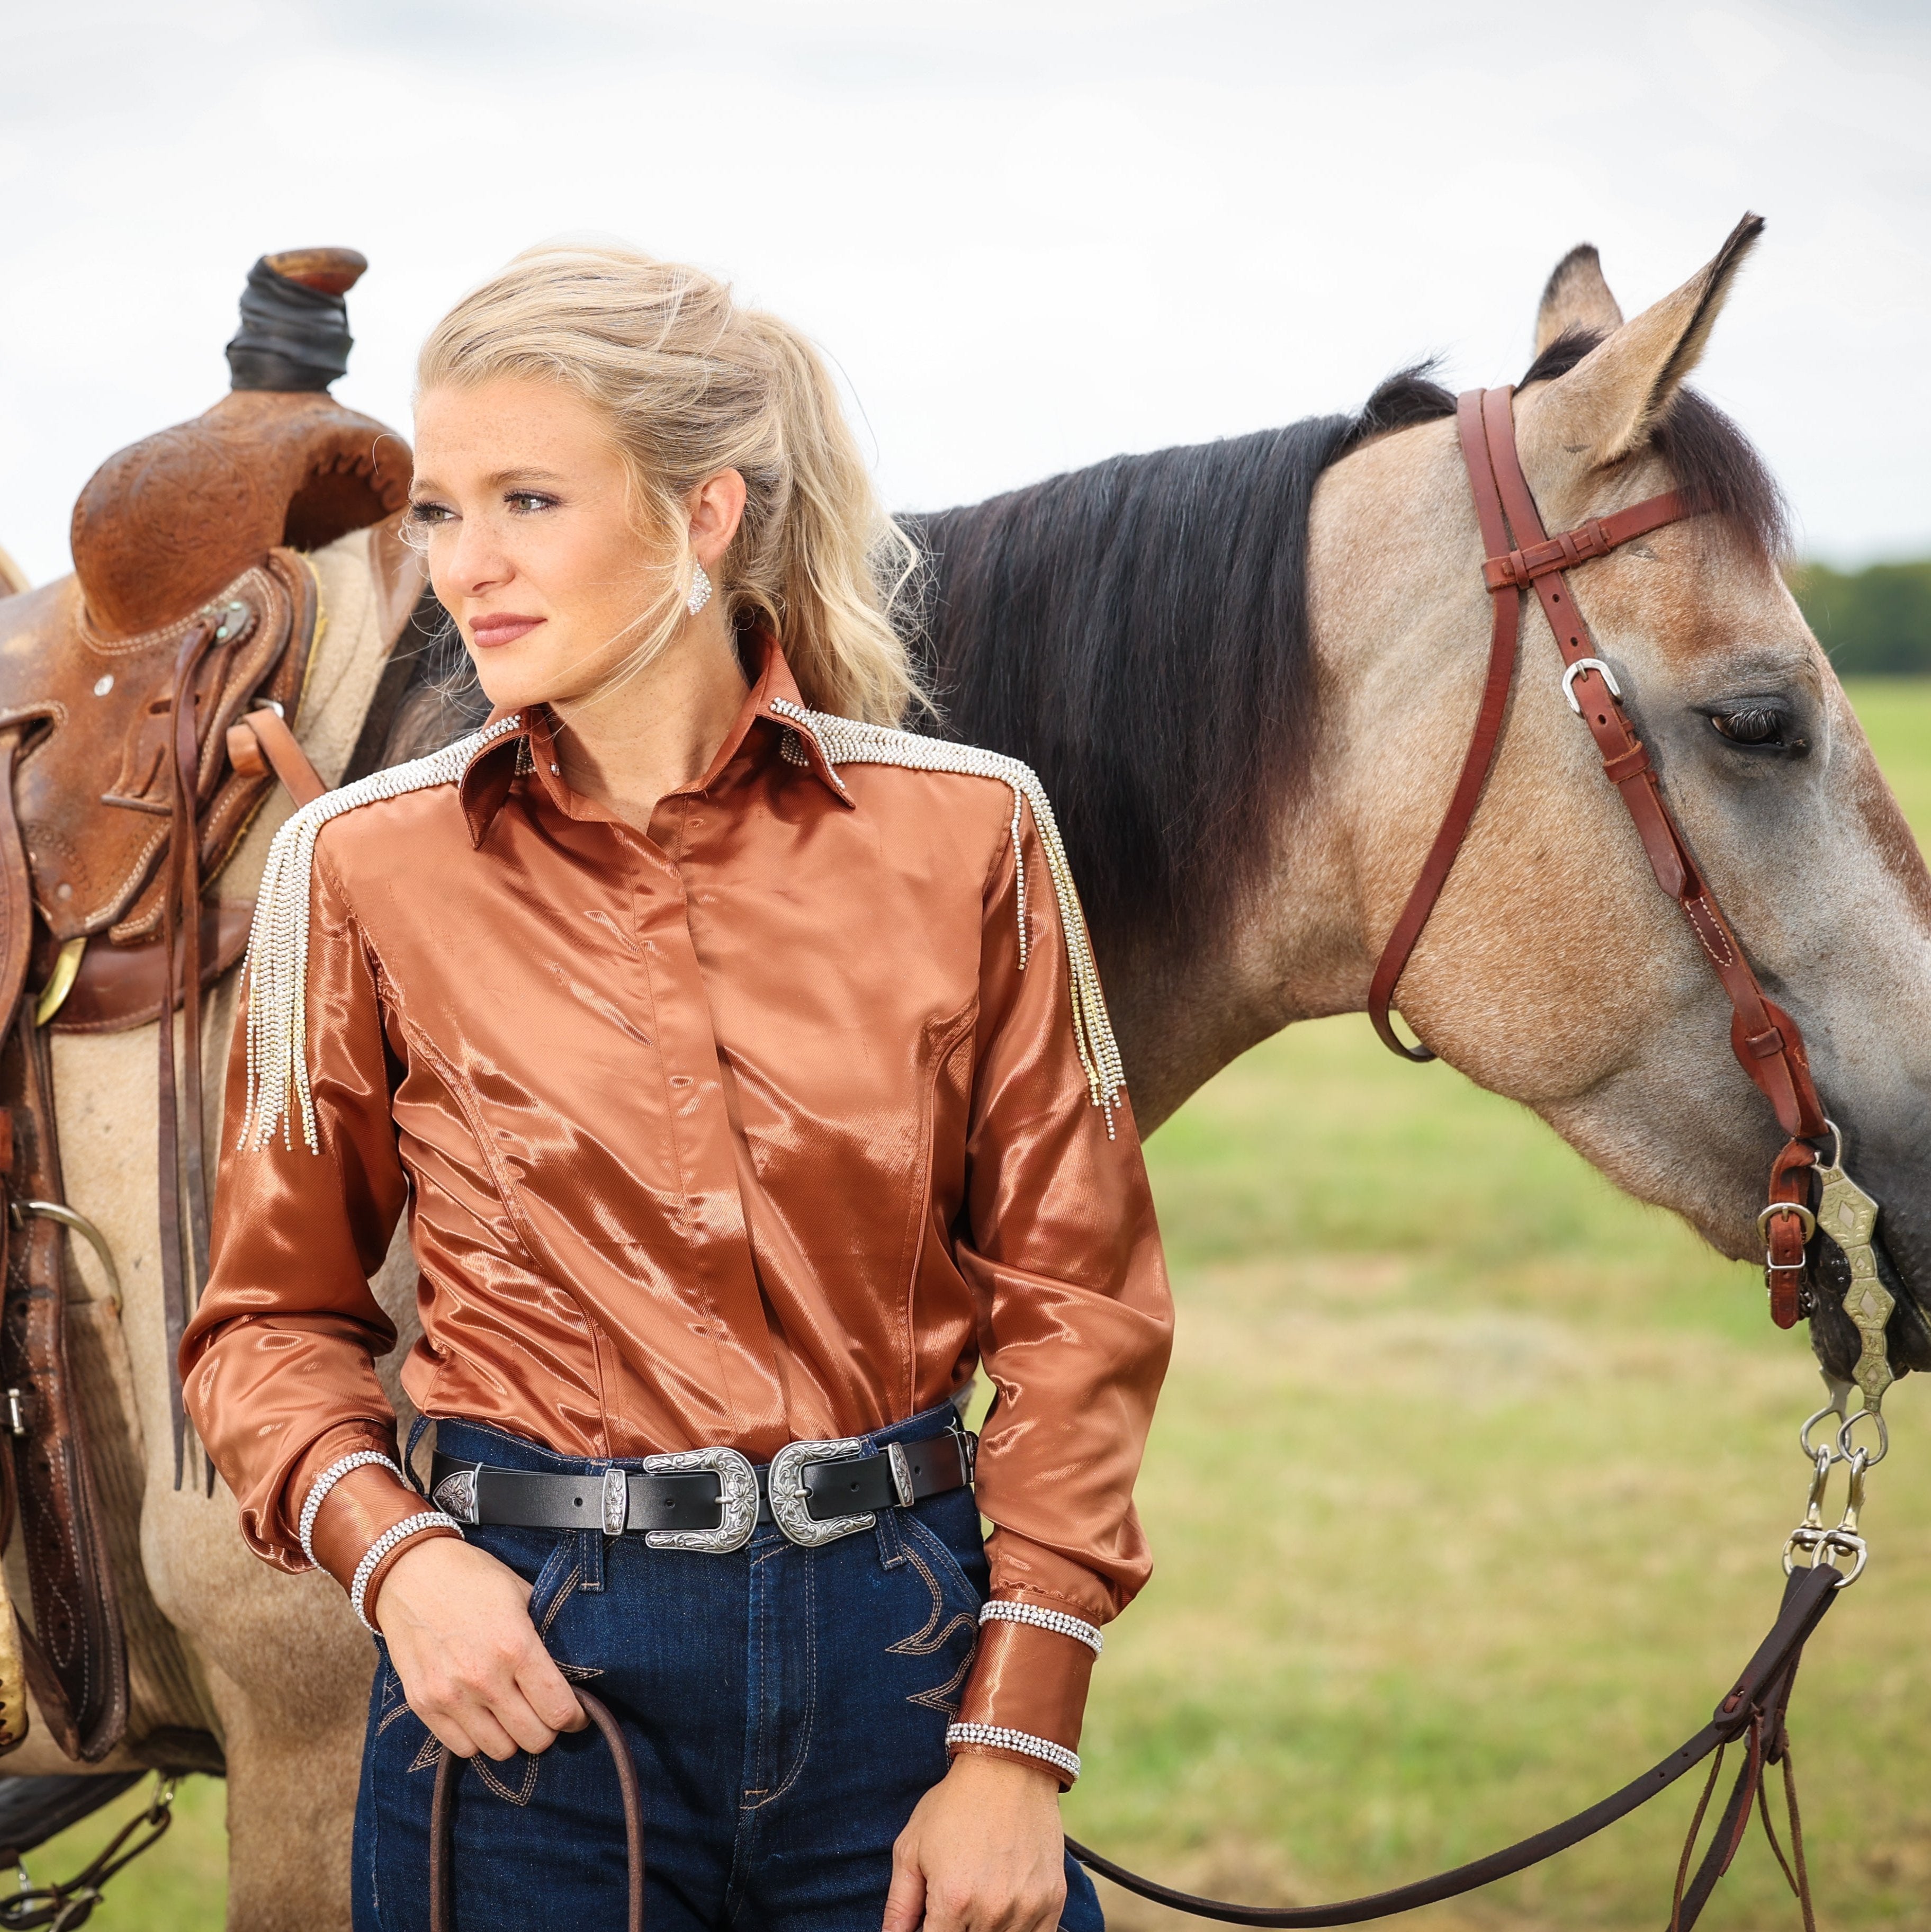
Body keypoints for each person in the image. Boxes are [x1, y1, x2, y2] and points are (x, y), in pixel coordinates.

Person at [182, 241, 1172, 1932]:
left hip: (906, 1665)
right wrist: (401, 1563)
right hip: (527, 1687)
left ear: (705, 514)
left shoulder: (973, 831)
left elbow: (1083, 1313)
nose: (464, 567)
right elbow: (267, 1327)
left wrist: (1016, 1738)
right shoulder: (361, 869)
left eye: (527, 503)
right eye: (440, 511)